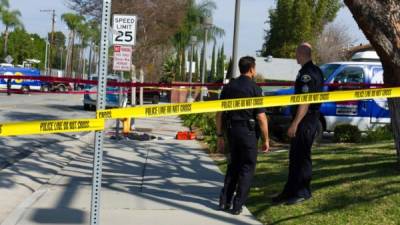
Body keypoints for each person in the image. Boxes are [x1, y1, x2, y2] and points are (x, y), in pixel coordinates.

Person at [216, 56, 270, 215]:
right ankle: (237, 205)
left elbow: (219, 113)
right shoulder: (255, 88)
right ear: (252, 69)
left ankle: (224, 201)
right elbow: (261, 117)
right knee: (247, 168)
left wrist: (219, 135)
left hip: (232, 131)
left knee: (233, 166)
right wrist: (266, 139)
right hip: (248, 133)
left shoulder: (229, 87)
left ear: (240, 68)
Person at [272, 43, 324, 205]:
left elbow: (305, 101)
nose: (295, 56)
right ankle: (290, 191)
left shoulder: (307, 75)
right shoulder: (315, 70)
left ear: (302, 53)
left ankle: (302, 192)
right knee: (295, 157)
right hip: (309, 119)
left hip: (305, 121)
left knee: (301, 158)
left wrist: (294, 124)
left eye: (296, 53)